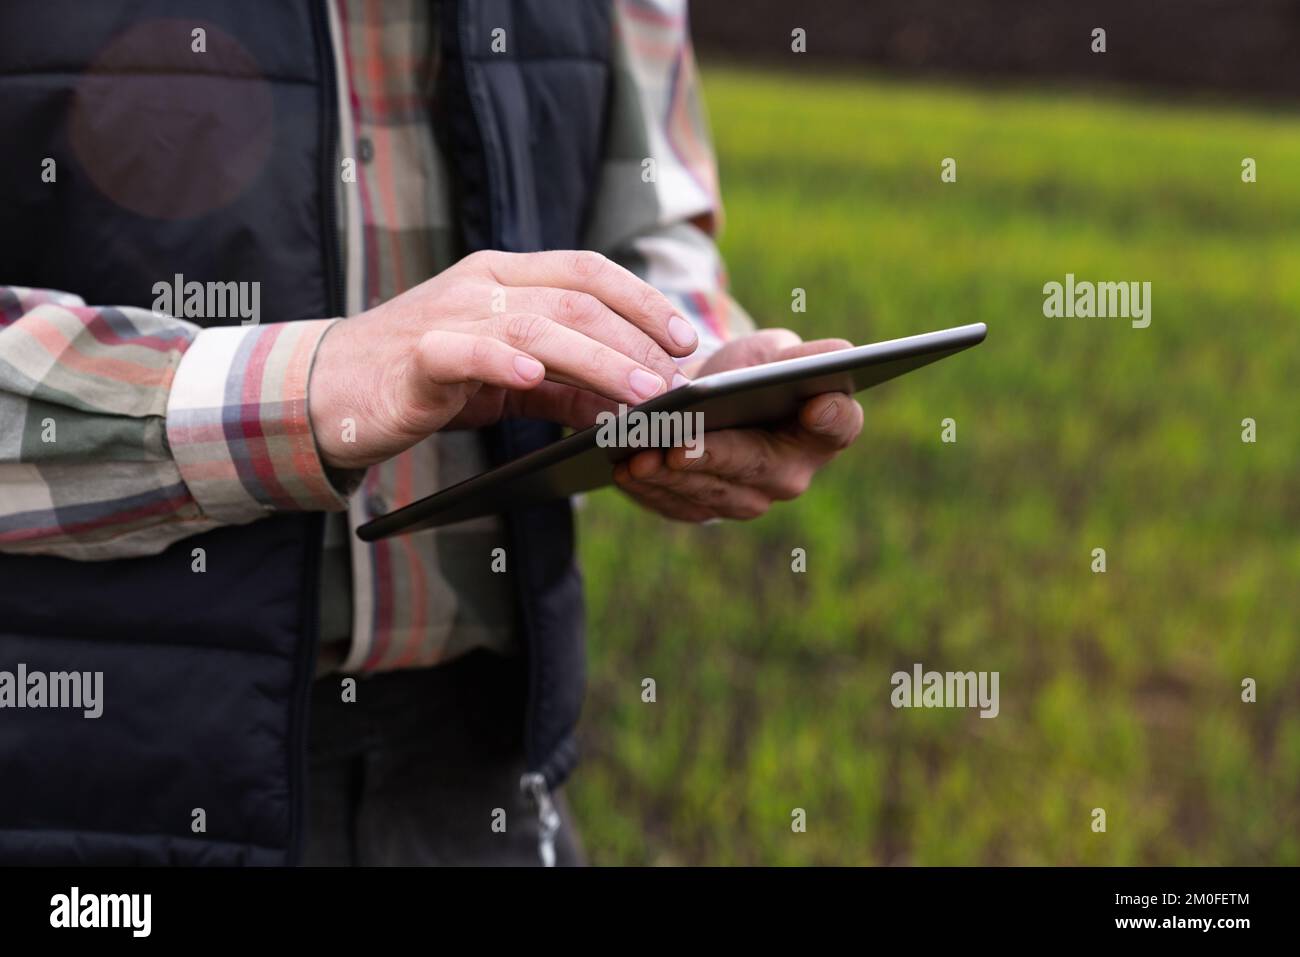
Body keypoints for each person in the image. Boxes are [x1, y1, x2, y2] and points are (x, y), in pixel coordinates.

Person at [0, 0, 863, 865]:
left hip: (484, 766)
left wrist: (691, 373)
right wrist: (309, 386)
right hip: (83, 766)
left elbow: (647, 216)